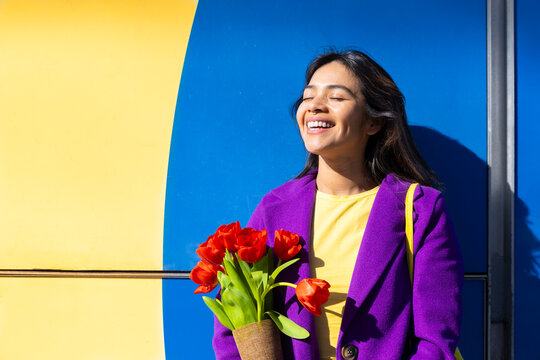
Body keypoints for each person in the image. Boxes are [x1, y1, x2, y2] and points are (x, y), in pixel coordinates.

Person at [213, 50, 463, 360]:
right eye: (308, 97)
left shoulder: (421, 209)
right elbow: (233, 319)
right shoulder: (275, 208)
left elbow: (435, 343)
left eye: (337, 97)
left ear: (373, 121)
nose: (315, 105)